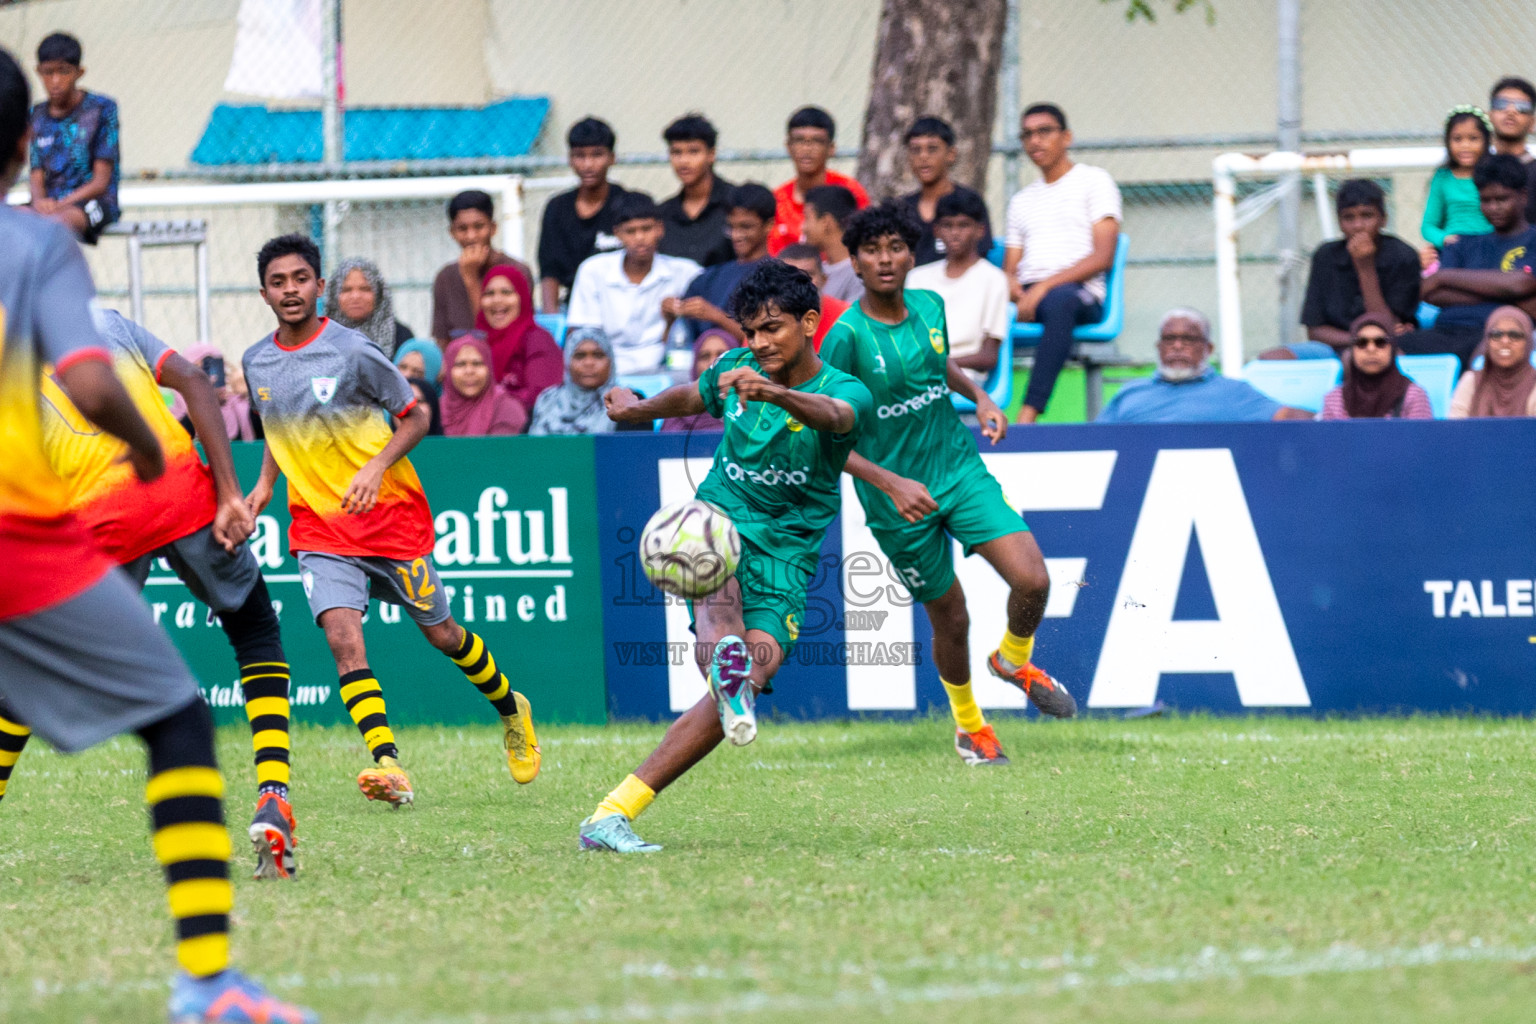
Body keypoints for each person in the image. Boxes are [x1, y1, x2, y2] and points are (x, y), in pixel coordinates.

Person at [0, 49, 317, 1022]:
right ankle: (209, 981)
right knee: (184, 706)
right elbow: (114, 383)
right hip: (83, 516)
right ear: (22, 147)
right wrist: (157, 452)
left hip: (77, 521)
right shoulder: (42, 255)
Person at [579, 260, 875, 853]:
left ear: (810, 323)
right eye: (751, 333)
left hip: (788, 556)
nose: (759, 343)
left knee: (750, 670)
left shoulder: (844, 391)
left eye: (772, 329)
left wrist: (778, 394)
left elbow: (837, 419)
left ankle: (611, 815)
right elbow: (696, 392)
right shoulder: (738, 368)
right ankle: (728, 667)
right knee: (716, 585)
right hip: (719, 516)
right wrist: (637, 409)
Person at [242, 234, 541, 807]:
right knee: (343, 641)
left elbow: (416, 415)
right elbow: (279, 430)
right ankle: (388, 765)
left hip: (389, 521)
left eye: (300, 279)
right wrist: (262, 487)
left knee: (443, 634)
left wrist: (377, 466)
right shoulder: (257, 361)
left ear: (319, 286)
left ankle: (510, 707)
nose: (290, 290)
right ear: (264, 293)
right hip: (320, 529)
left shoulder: (353, 352)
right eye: (278, 282)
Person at [22, 309, 304, 881]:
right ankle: (273, 794)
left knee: (29, 676)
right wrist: (228, 491)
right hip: (182, 494)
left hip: (99, 523)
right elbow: (198, 382)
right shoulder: (104, 320)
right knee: (254, 631)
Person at [821, 201, 1075, 766]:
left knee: (1033, 580)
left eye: (895, 247)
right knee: (952, 618)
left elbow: (937, 365)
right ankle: (969, 727)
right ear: (855, 263)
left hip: (958, 471)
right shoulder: (845, 338)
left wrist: (980, 396)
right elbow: (826, 437)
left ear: (912, 254)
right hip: (897, 501)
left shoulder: (930, 305)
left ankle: (1012, 659)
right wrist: (890, 484)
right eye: (871, 250)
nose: (885, 259)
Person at [1003, 103, 1122, 423]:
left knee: (1061, 301)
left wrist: (1043, 287)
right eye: (1027, 134)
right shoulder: (1021, 200)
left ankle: (1029, 413)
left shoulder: (1094, 182)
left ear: (1066, 137)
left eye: (1044, 131)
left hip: (1078, 294)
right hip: (1030, 296)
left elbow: (1103, 257)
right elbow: (1010, 267)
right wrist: (1014, 288)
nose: (1035, 141)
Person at [1399, 154, 1536, 370]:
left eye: (1501, 199)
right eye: (1486, 200)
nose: (1493, 208)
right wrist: (1506, 294)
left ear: (1523, 196)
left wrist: (1444, 276)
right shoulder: (1462, 243)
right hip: (1446, 331)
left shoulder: (1533, 240)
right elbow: (1433, 293)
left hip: (1498, 334)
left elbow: (1522, 283)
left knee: (1487, 355)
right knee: (1386, 350)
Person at [566, 192, 701, 376]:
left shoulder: (686, 272)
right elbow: (584, 336)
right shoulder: (593, 270)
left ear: (660, 229)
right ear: (617, 233)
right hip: (607, 372)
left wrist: (676, 316)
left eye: (646, 229)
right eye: (630, 231)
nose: (639, 238)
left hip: (666, 371)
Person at [1096, 309, 1313, 423]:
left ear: (1208, 349)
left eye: (1188, 339)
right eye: (1169, 339)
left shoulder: (1234, 393)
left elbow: (1288, 417)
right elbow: (1096, 441)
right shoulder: (1130, 393)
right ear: (1158, 347)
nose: (1178, 346)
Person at [1291, 179, 1420, 357]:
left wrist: (1365, 267)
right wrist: (1356, 340)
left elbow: (1387, 329)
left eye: (1367, 216)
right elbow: (1315, 332)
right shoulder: (1325, 256)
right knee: (1273, 358)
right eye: (1348, 218)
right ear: (1339, 221)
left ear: (1383, 219)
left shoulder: (1403, 256)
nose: (1358, 226)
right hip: (1334, 346)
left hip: (1383, 350)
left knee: (1353, 358)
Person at [907, 189, 1011, 384]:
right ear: (936, 230)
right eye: (947, 225)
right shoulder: (917, 278)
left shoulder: (993, 279)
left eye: (963, 225)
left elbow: (988, 356)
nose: (955, 233)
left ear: (980, 230)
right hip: (918, 374)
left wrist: (940, 365)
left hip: (965, 377)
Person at [27, 32, 118, 243]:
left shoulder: (102, 109)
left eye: (64, 72)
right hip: (47, 206)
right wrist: (40, 202)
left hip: (92, 203)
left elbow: (100, 182)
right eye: (48, 73)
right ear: (39, 72)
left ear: (79, 72)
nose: (55, 81)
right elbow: (36, 174)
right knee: (12, 221)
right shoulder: (36, 116)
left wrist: (59, 205)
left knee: (58, 224)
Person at [538, 117, 630, 312]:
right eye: (580, 155)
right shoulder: (557, 208)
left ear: (612, 158)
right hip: (573, 307)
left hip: (623, 305)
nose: (588, 164)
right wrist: (553, 322)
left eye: (597, 155)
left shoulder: (627, 204)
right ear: (570, 159)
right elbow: (549, 272)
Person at [663, 182, 774, 342]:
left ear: (768, 225)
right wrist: (671, 318)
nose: (736, 235)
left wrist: (715, 316)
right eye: (731, 227)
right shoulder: (708, 277)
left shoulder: (778, 277)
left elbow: (765, 341)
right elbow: (675, 343)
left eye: (746, 227)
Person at [430, 190, 533, 344]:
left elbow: (500, 337)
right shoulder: (445, 277)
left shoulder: (517, 271)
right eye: (462, 229)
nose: (471, 236)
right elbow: (442, 342)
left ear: (493, 228)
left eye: (479, 227)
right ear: (452, 232)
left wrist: (470, 279)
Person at [768, 105, 870, 255]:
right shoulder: (777, 200)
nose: (807, 148)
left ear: (831, 148)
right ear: (788, 146)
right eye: (799, 140)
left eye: (817, 141)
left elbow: (864, 243)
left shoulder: (850, 191)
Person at [898, 116, 992, 266]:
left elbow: (980, 256)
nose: (923, 157)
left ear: (951, 154)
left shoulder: (969, 202)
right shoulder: (901, 208)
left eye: (932, 149)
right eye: (915, 150)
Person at [528, 326, 647, 435]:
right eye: (580, 356)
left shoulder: (629, 402)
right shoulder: (546, 401)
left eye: (598, 355)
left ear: (611, 361)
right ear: (567, 362)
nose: (589, 363)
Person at [475, 264, 562, 410]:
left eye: (506, 292)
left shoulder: (537, 340)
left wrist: (490, 402)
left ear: (522, 298)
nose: (497, 300)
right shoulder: (476, 344)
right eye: (489, 293)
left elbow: (542, 396)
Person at [1320, 313, 1434, 420]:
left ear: (1393, 348)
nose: (1371, 349)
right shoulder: (1335, 399)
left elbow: (1421, 440)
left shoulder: (1413, 396)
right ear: (1352, 350)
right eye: (1362, 343)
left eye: (1380, 342)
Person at [657, 114, 735, 268]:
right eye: (676, 152)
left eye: (693, 152)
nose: (684, 161)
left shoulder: (736, 204)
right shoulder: (662, 213)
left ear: (711, 154)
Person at [1421, 107, 1494, 267]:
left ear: (1486, 140)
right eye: (1457, 139)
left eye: (1473, 138)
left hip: (1490, 247)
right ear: (1448, 141)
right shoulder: (1443, 177)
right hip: (1454, 250)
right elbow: (1428, 226)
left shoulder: (1494, 174)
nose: (1465, 146)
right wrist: (1444, 239)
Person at [1448, 305, 1536, 417]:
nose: (1505, 341)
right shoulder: (1471, 381)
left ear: (1528, 342)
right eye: (1496, 335)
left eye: (1514, 335)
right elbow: (1456, 429)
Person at [440, 334, 529, 436]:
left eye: (477, 363)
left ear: (489, 368)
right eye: (460, 364)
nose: (469, 371)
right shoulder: (437, 409)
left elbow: (502, 450)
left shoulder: (506, 408)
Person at [328, 256, 415, 357]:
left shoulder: (400, 336)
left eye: (365, 289)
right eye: (346, 290)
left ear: (379, 294)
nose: (356, 296)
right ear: (334, 295)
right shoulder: (322, 335)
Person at [661, 328, 738, 433]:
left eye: (721, 356)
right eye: (705, 356)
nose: (713, 362)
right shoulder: (678, 415)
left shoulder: (752, 411)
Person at [779, 243, 851, 349]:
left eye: (808, 275)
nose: (799, 282)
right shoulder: (764, 318)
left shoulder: (846, 316)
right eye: (789, 276)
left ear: (824, 279)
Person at [185, 342, 260, 441]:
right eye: (203, 368)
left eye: (215, 367)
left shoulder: (240, 405)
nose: (212, 376)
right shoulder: (180, 409)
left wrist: (253, 387)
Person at [1487, 77, 1536, 224]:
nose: (1510, 111)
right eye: (1501, 104)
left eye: (1521, 107)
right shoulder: (1476, 168)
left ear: (1533, 123)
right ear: (1489, 116)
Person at [803, 184, 865, 303]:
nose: (803, 227)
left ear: (826, 222)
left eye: (807, 218)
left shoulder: (858, 273)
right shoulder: (821, 269)